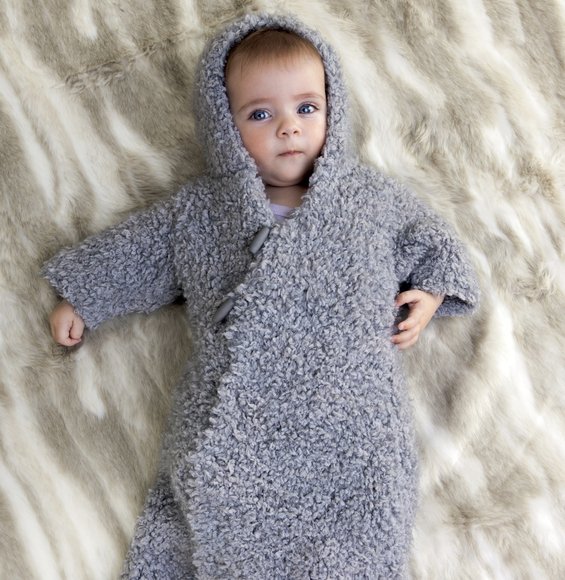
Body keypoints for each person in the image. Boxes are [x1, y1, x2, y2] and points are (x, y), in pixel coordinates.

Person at [44, 13, 479, 579]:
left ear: (333, 110)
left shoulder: (370, 200)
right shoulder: (203, 211)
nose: (289, 128)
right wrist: (84, 297)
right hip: (236, 421)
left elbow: (433, 242)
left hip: (351, 422)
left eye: (306, 108)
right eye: (260, 114)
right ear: (225, 128)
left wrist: (430, 292)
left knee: (359, 523)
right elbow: (139, 252)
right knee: (209, 501)